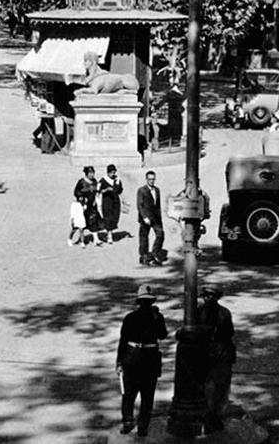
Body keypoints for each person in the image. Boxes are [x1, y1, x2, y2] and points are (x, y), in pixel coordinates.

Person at [116, 284, 168, 437]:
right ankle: (128, 421)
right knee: (128, 393)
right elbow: (123, 341)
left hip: (150, 357)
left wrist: (157, 319)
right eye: (144, 301)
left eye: (149, 301)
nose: (146, 305)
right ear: (139, 302)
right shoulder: (130, 318)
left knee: (147, 395)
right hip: (133, 356)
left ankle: (143, 426)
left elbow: (162, 335)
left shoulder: (157, 317)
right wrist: (119, 362)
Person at [199, 284, 236, 433]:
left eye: (212, 296)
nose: (208, 298)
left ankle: (216, 417)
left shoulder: (224, 313)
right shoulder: (198, 311)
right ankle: (209, 417)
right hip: (206, 354)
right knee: (208, 387)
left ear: (217, 298)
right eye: (206, 295)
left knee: (221, 388)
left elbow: (229, 333)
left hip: (221, 354)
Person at [137, 170, 165, 266]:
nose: (152, 181)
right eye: (150, 179)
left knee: (160, 235)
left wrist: (160, 216)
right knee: (144, 238)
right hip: (146, 218)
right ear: (146, 180)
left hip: (156, 218)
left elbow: (158, 205)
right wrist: (144, 217)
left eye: (153, 179)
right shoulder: (141, 190)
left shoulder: (157, 190)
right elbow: (140, 205)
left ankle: (154, 253)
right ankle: (144, 257)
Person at [97, 165, 124, 244]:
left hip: (116, 201)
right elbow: (98, 190)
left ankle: (110, 233)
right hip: (107, 201)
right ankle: (109, 236)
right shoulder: (103, 180)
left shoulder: (117, 179)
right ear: (108, 172)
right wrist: (105, 190)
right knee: (108, 217)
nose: (113, 174)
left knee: (115, 217)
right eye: (111, 172)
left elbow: (120, 190)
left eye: (114, 172)